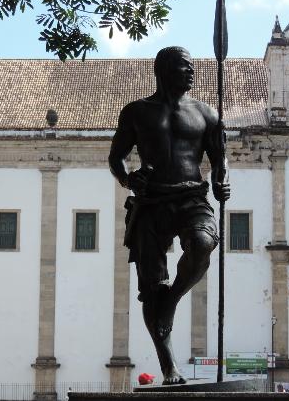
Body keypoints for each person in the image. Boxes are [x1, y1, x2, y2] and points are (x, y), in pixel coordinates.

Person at [109, 46, 230, 385]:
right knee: (151, 287)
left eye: (192, 67)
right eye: (184, 66)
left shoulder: (206, 113)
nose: (191, 72)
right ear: (163, 70)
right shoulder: (137, 112)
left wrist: (221, 179)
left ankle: (172, 300)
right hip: (151, 202)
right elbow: (116, 157)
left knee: (203, 243)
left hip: (192, 196)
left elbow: (220, 157)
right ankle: (169, 367)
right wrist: (127, 179)